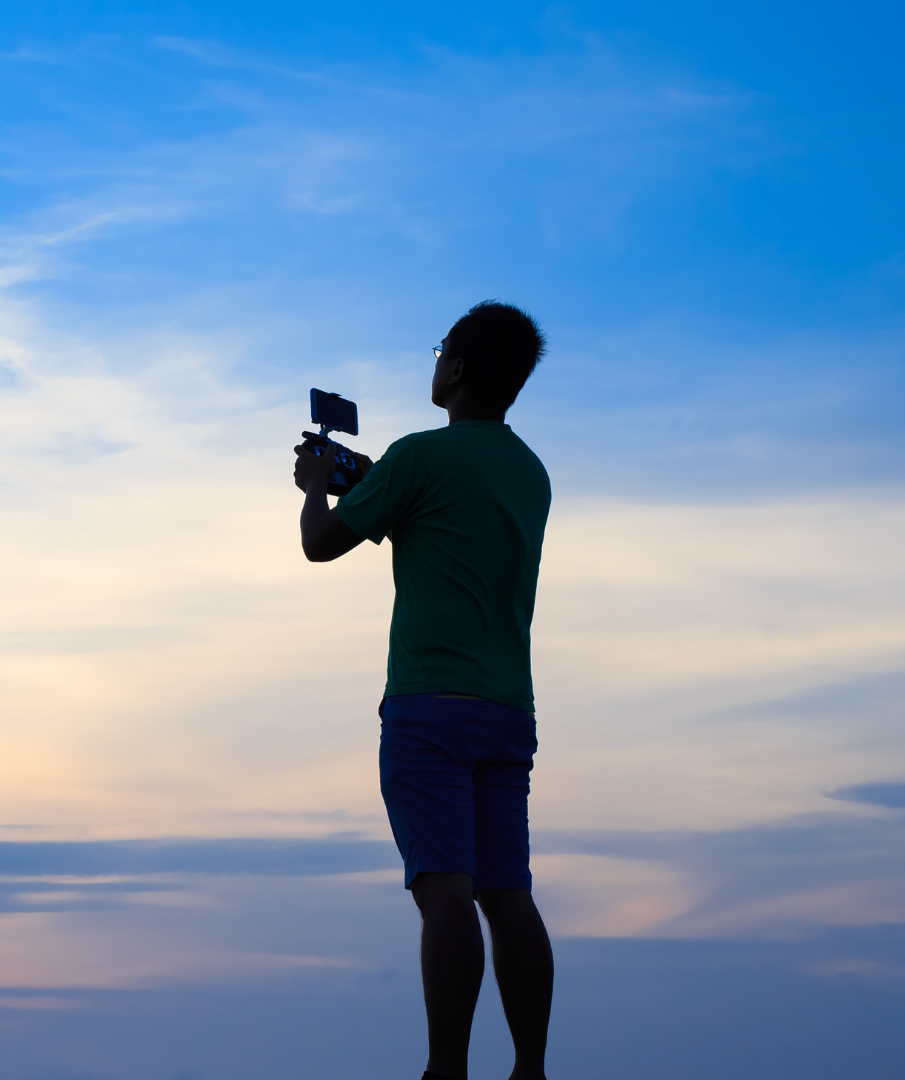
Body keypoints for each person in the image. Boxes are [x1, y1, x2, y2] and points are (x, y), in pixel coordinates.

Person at [293, 301, 553, 1080]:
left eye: (442, 350)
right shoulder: (530, 471)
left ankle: (447, 1069)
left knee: (444, 889)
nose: (435, 360)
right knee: (508, 896)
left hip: (430, 704)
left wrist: (317, 485)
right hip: (508, 709)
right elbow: (448, 520)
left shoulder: (417, 457)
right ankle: (531, 1069)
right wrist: (385, 489)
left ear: (460, 368)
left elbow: (319, 546)